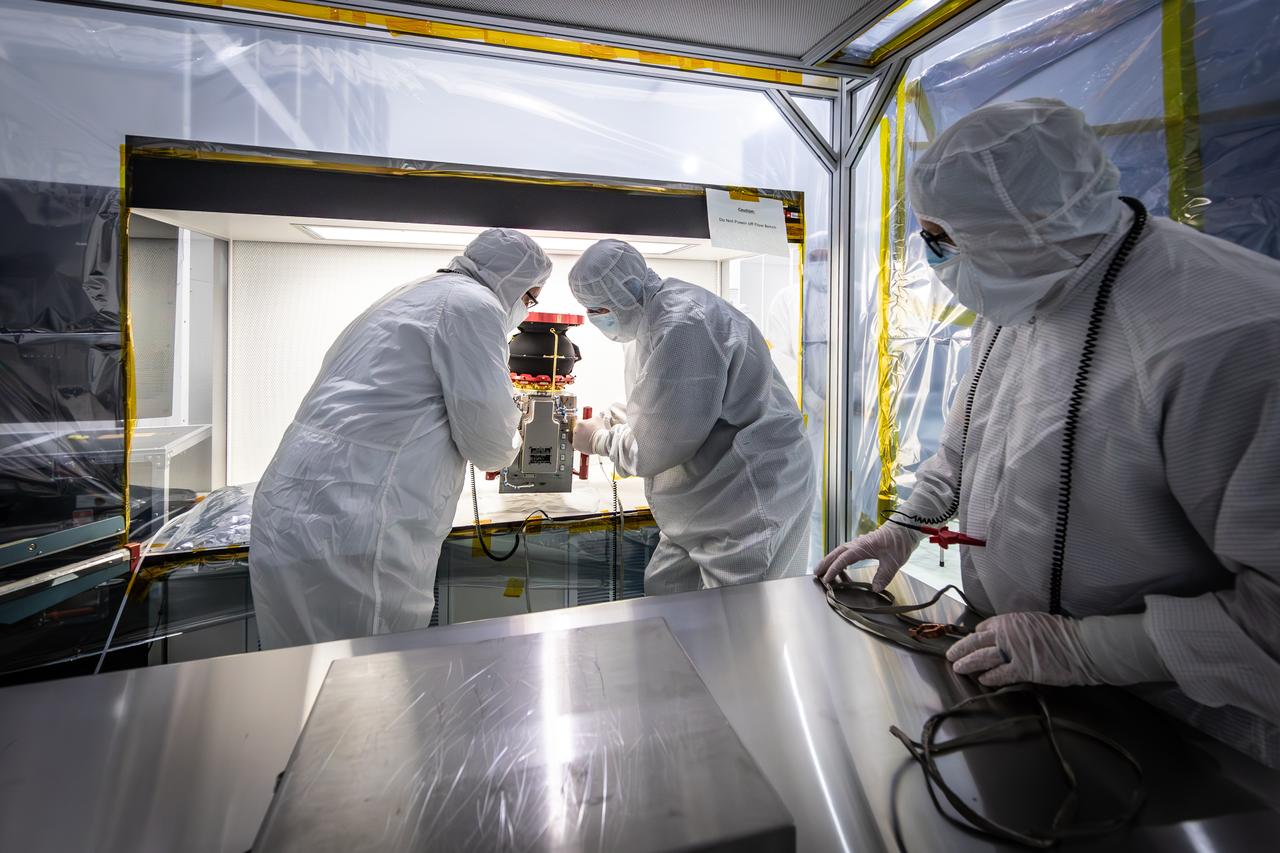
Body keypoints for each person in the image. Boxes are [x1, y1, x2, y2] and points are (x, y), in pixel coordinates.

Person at [817, 99, 1280, 764]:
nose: (932, 258)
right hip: (1020, 678)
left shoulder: (1227, 335)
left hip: (1189, 727)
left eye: (940, 239)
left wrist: (1085, 649)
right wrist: (909, 522)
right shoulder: (1015, 281)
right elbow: (971, 436)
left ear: (1020, 231)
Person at [249, 229, 551, 648]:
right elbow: (490, 444)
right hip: (359, 521)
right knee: (366, 676)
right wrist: (515, 425)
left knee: (299, 675)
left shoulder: (413, 293)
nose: (526, 308)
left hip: (293, 508)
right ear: (511, 280)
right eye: (530, 298)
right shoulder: (473, 306)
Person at [569, 239, 815, 595]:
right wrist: (610, 419)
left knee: (741, 622)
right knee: (666, 595)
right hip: (705, 501)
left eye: (596, 310)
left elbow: (657, 447)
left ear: (622, 297)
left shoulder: (684, 324)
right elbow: (665, 407)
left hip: (749, 497)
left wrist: (597, 440)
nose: (596, 319)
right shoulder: (650, 322)